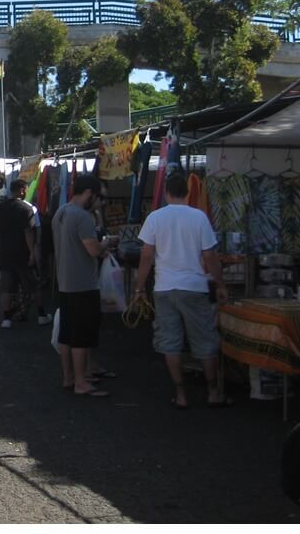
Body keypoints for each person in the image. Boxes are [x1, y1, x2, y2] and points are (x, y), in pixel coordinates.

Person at [135, 172, 229, 409]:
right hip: (194, 286)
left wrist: (139, 287)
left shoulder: (155, 218)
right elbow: (210, 255)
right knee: (205, 340)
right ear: (187, 193)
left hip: (164, 287)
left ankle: (180, 394)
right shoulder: (199, 217)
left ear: (166, 193)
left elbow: (146, 256)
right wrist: (220, 284)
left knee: (170, 341)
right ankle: (213, 392)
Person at [52, 174, 115, 397]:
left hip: (65, 282)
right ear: (88, 193)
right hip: (83, 284)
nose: (98, 201)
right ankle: (81, 382)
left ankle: (69, 377)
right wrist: (105, 244)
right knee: (81, 335)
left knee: (66, 334)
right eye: (97, 197)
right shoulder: (82, 216)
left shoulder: (61, 212)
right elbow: (92, 249)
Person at [0, 179, 47, 328]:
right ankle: (42, 315)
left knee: (6, 288)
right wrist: (32, 252)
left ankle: (6, 319)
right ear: (22, 189)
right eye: (26, 189)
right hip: (23, 254)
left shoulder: (0, 207)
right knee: (33, 286)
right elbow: (28, 232)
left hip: (5, 253)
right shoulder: (26, 208)